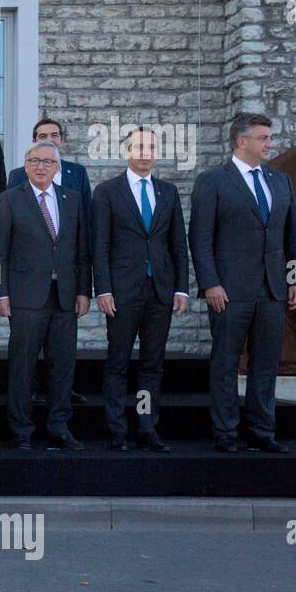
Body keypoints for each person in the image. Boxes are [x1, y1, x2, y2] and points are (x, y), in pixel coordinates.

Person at [189, 112, 296, 453]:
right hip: (228, 290)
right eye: (264, 138)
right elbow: (200, 238)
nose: (270, 144)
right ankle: (226, 432)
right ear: (242, 142)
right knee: (225, 362)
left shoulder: (280, 181)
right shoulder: (212, 181)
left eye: (269, 137)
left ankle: (261, 430)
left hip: (272, 289)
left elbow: (293, 237)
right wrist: (210, 283)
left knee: (266, 363)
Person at [93, 127, 189, 452]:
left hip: (160, 292)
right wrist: (102, 289)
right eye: (139, 147)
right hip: (121, 292)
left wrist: (181, 288)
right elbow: (100, 246)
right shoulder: (107, 191)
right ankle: (118, 430)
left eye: (151, 147)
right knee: (118, 362)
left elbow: (178, 244)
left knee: (152, 365)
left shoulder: (168, 192)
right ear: (126, 152)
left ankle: (146, 426)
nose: (145, 152)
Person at [0, 140, 91, 450]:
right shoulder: (10, 199)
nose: (40, 166)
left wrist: (83, 291)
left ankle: (59, 427)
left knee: (62, 366)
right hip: (24, 297)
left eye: (47, 162)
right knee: (23, 366)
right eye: (34, 161)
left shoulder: (72, 200)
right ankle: (21, 429)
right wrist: (0, 294)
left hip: (64, 297)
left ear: (57, 168)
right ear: (25, 165)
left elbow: (81, 250)